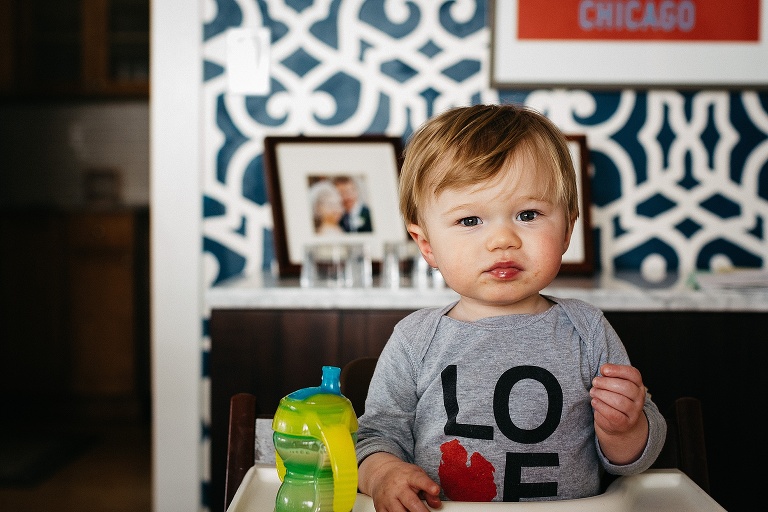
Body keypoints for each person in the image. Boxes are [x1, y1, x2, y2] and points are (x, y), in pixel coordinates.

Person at [355, 104, 666, 510]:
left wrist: (624, 430)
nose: (503, 239)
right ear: (426, 244)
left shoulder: (586, 330)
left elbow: (636, 459)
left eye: (528, 214)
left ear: (568, 228)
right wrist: (383, 474)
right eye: (470, 221)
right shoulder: (416, 340)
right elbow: (375, 437)